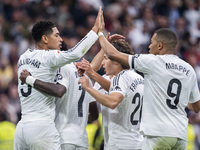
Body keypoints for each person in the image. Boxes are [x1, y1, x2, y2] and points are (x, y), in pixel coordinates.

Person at [14, 6, 103, 150]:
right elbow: (75, 53)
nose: (60, 39)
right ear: (44, 38)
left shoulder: (23, 58)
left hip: (22, 127)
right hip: (42, 128)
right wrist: (95, 31)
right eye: (56, 35)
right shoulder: (50, 57)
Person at [98, 27, 200, 149]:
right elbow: (196, 107)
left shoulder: (152, 62)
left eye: (152, 42)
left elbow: (112, 54)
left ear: (160, 46)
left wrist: (100, 33)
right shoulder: (189, 69)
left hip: (158, 134)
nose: (149, 46)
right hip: (181, 135)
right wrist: (181, 100)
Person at [78, 40, 144, 150]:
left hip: (119, 143)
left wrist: (88, 86)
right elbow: (112, 88)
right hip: (138, 142)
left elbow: (112, 101)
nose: (103, 63)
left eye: (106, 58)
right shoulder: (139, 78)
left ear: (117, 61)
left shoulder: (121, 77)